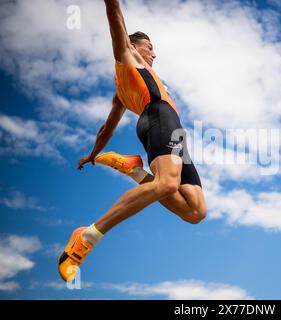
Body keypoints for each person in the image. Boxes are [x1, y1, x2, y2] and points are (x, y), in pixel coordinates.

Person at [58, 0, 207, 282]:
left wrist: (93, 154)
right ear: (133, 45)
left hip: (171, 128)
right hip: (158, 117)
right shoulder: (126, 55)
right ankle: (86, 237)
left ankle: (133, 169)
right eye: (149, 47)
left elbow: (106, 129)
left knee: (195, 211)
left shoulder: (121, 92)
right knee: (167, 183)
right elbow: (114, 11)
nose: (154, 53)